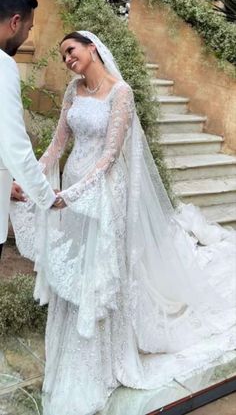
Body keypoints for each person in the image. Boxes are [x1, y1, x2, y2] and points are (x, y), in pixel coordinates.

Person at [10, 31, 236, 415]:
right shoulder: (72, 92)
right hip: (72, 192)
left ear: (92, 47)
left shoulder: (121, 93)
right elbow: (56, 145)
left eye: (71, 50)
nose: (67, 59)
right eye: (62, 54)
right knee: (72, 270)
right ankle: (69, 355)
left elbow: (111, 156)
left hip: (103, 193)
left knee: (97, 272)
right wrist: (30, 180)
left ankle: (102, 362)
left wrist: (76, 193)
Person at [0, 0, 58, 258]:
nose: (26, 35)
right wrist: (46, 197)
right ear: (15, 22)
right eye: (29, 28)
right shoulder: (3, 65)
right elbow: (14, 145)